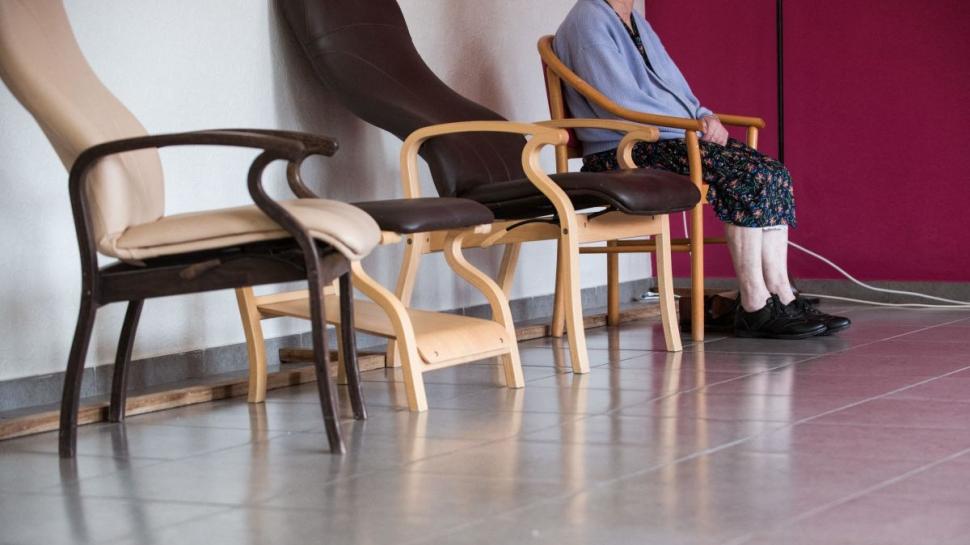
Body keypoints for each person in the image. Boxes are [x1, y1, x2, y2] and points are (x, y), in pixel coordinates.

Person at [554, 0, 850, 339]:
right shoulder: (588, 19)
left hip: (667, 137)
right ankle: (755, 304)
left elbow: (674, 87)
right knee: (749, 176)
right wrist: (691, 126)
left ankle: (781, 295)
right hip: (625, 147)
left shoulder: (634, 20)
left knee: (773, 173)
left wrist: (705, 115)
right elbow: (620, 102)